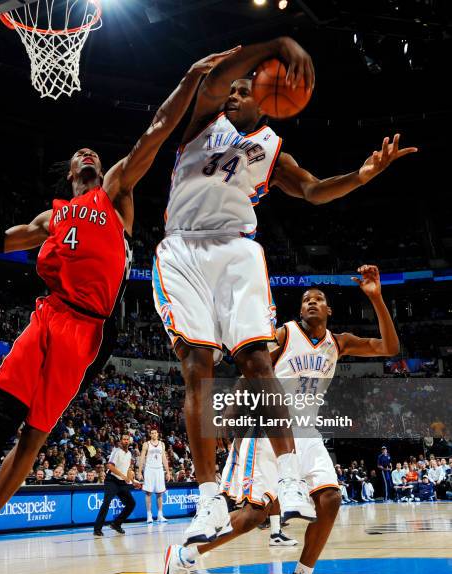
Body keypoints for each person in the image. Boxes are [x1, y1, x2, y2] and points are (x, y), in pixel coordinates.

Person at [0, 48, 238, 574]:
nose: (88, 155)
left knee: (33, 435)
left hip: (88, 331)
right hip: (48, 316)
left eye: (93, 152)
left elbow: (155, 132)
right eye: (79, 154)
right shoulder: (53, 216)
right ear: (69, 173)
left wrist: (187, 80)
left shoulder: (115, 194)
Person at [152, 35, 417, 545]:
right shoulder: (205, 118)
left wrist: (361, 177)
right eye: (234, 86)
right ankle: (209, 498)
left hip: (237, 247)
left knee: (255, 361)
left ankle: (292, 477)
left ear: (266, 100)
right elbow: (211, 80)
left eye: (246, 88)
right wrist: (276, 44)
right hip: (183, 245)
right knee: (198, 368)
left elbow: (315, 190)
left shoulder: (272, 150)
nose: (234, 92)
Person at [162, 264, 400, 574]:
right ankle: (183, 556)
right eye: (306, 300)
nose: (312, 303)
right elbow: (251, 371)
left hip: (307, 432)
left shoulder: (339, 342)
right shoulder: (285, 334)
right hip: (268, 429)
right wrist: (225, 416)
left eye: (318, 299)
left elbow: (389, 348)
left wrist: (377, 299)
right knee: (252, 517)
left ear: (329, 310)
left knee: (331, 499)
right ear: (300, 310)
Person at [93, 434, 140, 536]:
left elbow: (128, 469)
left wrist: (133, 480)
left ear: (129, 442)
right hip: (112, 480)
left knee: (131, 503)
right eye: (124, 439)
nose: (126, 441)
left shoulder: (129, 454)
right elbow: (109, 465)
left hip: (122, 482)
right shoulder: (116, 451)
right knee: (106, 502)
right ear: (121, 441)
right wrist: (123, 476)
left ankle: (116, 523)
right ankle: (97, 529)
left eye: (127, 439)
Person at [138, 429, 171, 523]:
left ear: (157, 434)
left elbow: (164, 458)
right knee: (148, 493)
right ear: (150, 435)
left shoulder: (162, 444)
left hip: (159, 469)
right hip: (149, 469)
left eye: (155, 433)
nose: (153, 434)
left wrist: (168, 471)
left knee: (159, 493)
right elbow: (142, 458)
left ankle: (160, 515)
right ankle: (149, 515)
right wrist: (140, 472)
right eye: (152, 433)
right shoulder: (146, 444)